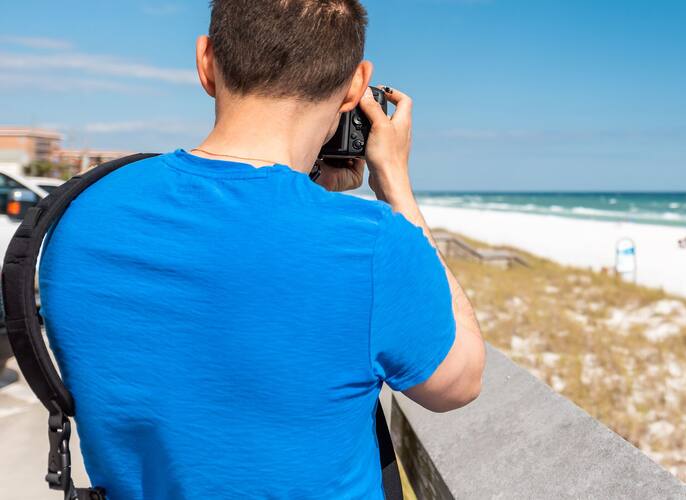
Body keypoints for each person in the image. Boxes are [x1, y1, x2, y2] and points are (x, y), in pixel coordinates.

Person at [37, 1, 485, 498]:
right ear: (358, 85)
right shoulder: (373, 244)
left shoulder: (78, 214)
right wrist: (395, 184)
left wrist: (309, 195)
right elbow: (458, 383)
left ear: (205, 62)